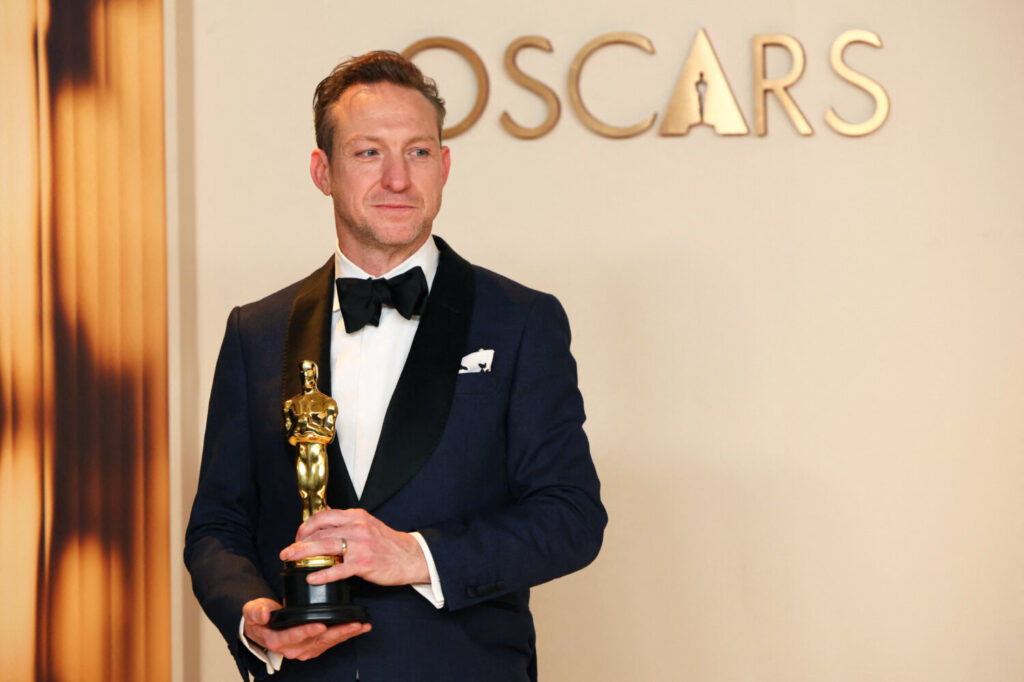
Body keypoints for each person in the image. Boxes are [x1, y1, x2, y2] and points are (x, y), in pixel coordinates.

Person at [184, 50, 606, 682]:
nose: (398, 179)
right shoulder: (257, 330)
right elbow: (217, 525)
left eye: (418, 151)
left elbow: (571, 517)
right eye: (368, 152)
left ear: (445, 165)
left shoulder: (520, 320)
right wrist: (252, 616)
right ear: (322, 171)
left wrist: (414, 555)